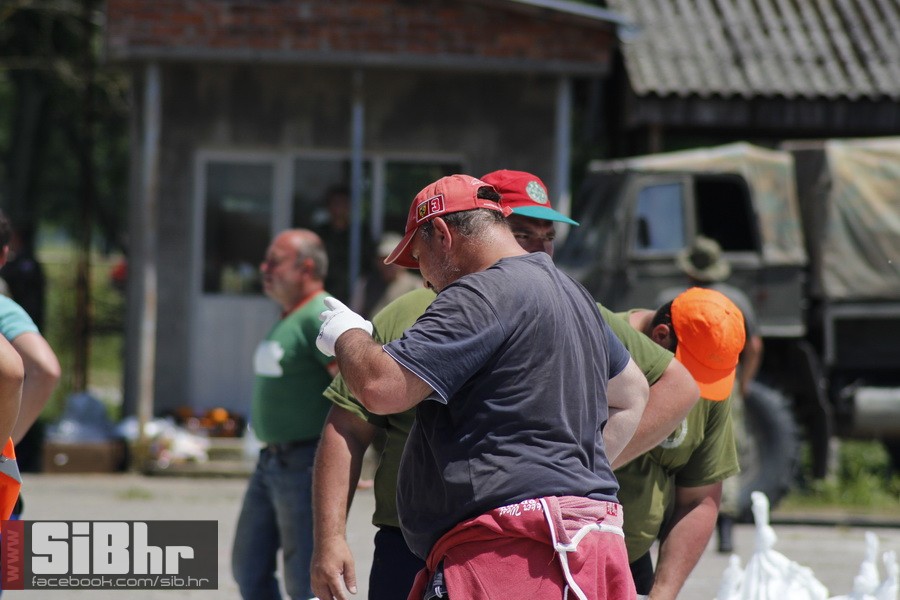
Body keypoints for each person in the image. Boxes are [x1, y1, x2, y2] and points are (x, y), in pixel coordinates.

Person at [310, 170, 698, 600]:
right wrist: (572, 475)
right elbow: (631, 393)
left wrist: (346, 333)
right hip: (583, 542)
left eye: (418, 258)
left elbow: (381, 389)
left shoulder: (481, 293)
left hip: (511, 554)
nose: (424, 280)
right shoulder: (573, 294)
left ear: (441, 233)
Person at [231, 229, 338, 600]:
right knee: (248, 566)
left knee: (303, 578)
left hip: (305, 462)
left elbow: (354, 389)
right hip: (272, 462)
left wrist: (350, 461)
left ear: (305, 267)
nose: (265, 268)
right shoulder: (292, 315)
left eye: (274, 261)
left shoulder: (320, 315)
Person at [617, 287, 744, 599]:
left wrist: (663, 591)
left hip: (631, 562)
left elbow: (698, 499)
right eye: (693, 376)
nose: (696, 393)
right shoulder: (599, 339)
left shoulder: (707, 387)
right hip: (554, 554)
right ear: (661, 336)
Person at [658, 235, 764, 553]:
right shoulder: (738, 300)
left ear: (689, 270)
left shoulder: (672, 298)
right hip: (723, 385)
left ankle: (666, 524)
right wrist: (743, 383)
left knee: (671, 449)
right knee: (721, 455)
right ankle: (726, 530)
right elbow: (755, 346)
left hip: (680, 384)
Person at [314, 185, 375, 304]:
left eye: (343, 203)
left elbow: (368, 261)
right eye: (335, 203)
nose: (339, 208)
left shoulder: (360, 233)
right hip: (325, 290)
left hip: (354, 292)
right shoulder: (321, 233)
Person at [349, 232, 423, 319]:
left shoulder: (416, 286)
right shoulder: (365, 285)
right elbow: (353, 316)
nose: (390, 263)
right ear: (377, 261)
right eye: (384, 258)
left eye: (395, 257)